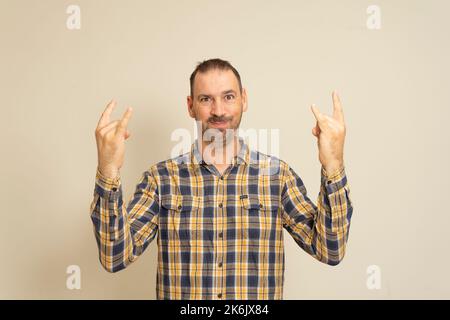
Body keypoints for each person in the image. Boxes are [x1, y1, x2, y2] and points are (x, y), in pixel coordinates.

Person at [90, 58, 353, 300]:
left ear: (244, 99)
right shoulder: (161, 179)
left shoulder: (277, 176)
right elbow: (115, 256)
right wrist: (108, 169)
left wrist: (333, 164)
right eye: (206, 99)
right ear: (191, 106)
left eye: (228, 97)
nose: (219, 110)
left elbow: (330, 250)